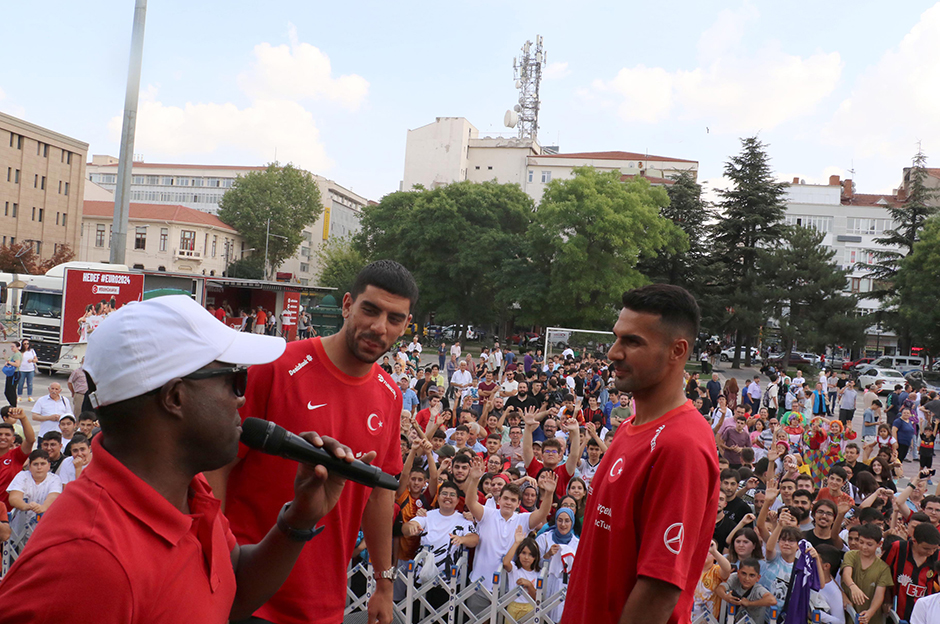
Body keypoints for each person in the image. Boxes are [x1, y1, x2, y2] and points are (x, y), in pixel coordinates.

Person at [0, 295, 366, 623]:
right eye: (236, 379)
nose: (241, 398)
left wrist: (300, 517)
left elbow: (231, 589)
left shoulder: (190, 488)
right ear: (175, 397)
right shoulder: (87, 562)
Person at [207, 260, 418, 624]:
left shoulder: (389, 395)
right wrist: (214, 554)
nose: (379, 327)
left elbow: (379, 496)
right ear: (347, 304)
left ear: (406, 325)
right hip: (247, 597)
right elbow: (217, 464)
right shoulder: (276, 366)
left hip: (324, 605)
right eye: (370, 310)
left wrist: (384, 583)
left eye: (394, 318)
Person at [562, 285, 720, 624]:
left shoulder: (682, 445)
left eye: (632, 342)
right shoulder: (629, 428)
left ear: (677, 350)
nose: (613, 352)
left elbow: (660, 586)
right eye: (616, 338)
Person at [841, 524, 893, 624]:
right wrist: (852, 586)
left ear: (879, 544)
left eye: (869, 544)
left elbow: (879, 595)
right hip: (849, 612)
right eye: (861, 542)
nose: (864, 547)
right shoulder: (851, 555)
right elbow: (846, 574)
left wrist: (870, 612)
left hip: (872, 618)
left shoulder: (883, 568)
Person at [713, 558, 776, 623]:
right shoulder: (734, 578)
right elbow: (719, 589)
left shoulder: (757, 589)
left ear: (758, 578)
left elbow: (772, 600)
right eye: (743, 573)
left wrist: (749, 603)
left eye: (752, 575)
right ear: (738, 573)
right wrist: (726, 597)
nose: (747, 578)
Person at [502, 527, 542, 622]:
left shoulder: (538, 573)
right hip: (513, 606)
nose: (526, 557)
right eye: (523, 553)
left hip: (530, 608)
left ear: (535, 557)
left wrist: (529, 585)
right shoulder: (514, 569)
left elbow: (537, 598)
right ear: (519, 554)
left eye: (531, 554)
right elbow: (505, 563)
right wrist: (516, 543)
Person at [0, 407, 36, 509]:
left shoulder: (16, 455)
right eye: (0, 434)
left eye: (7, 435)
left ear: (13, 439)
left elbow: (30, 440)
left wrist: (23, 418)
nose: (3, 437)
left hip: (10, 511)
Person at [4, 340, 21, 406]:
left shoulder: (17, 355)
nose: (12, 348)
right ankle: (12, 404)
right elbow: (9, 361)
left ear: (17, 347)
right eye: (11, 346)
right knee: (7, 391)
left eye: (13, 346)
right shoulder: (14, 354)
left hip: (14, 374)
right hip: (11, 373)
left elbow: (17, 364)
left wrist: (9, 362)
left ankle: (13, 405)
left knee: (11, 391)